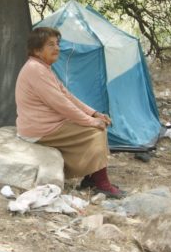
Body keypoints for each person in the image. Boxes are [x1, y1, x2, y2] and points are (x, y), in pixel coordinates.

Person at [15, 26, 126, 198]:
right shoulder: (35, 70)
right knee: (95, 131)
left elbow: (67, 95)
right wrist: (91, 121)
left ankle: (92, 178)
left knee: (97, 125)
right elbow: (61, 104)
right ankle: (101, 183)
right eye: (50, 45)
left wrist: (94, 113)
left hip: (47, 125)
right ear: (37, 50)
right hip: (40, 129)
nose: (57, 48)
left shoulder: (42, 68)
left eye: (57, 44)